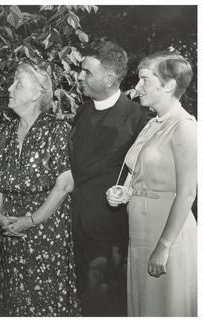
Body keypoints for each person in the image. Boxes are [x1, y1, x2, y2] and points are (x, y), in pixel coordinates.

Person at [106, 50, 197, 316]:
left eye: (145, 79)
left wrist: (164, 246)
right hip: (141, 232)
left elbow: (188, 192)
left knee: (167, 308)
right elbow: (140, 173)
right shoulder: (152, 123)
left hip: (168, 234)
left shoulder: (185, 127)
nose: (137, 86)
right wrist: (124, 191)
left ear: (168, 85)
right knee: (145, 307)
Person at [0, 63, 81, 317]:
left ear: (35, 94)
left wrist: (31, 220)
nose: (10, 88)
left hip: (45, 231)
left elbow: (65, 184)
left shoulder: (57, 130)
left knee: (44, 301)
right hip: (10, 230)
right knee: (13, 298)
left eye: (17, 84)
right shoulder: (6, 132)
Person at [69, 40, 150, 316]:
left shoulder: (139, 120)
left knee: (108, 306)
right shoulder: (81, 112)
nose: (79, 76)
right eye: (81, 70)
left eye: (87, 72)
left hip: (110, 233)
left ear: (110, 79)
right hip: (76, 225)